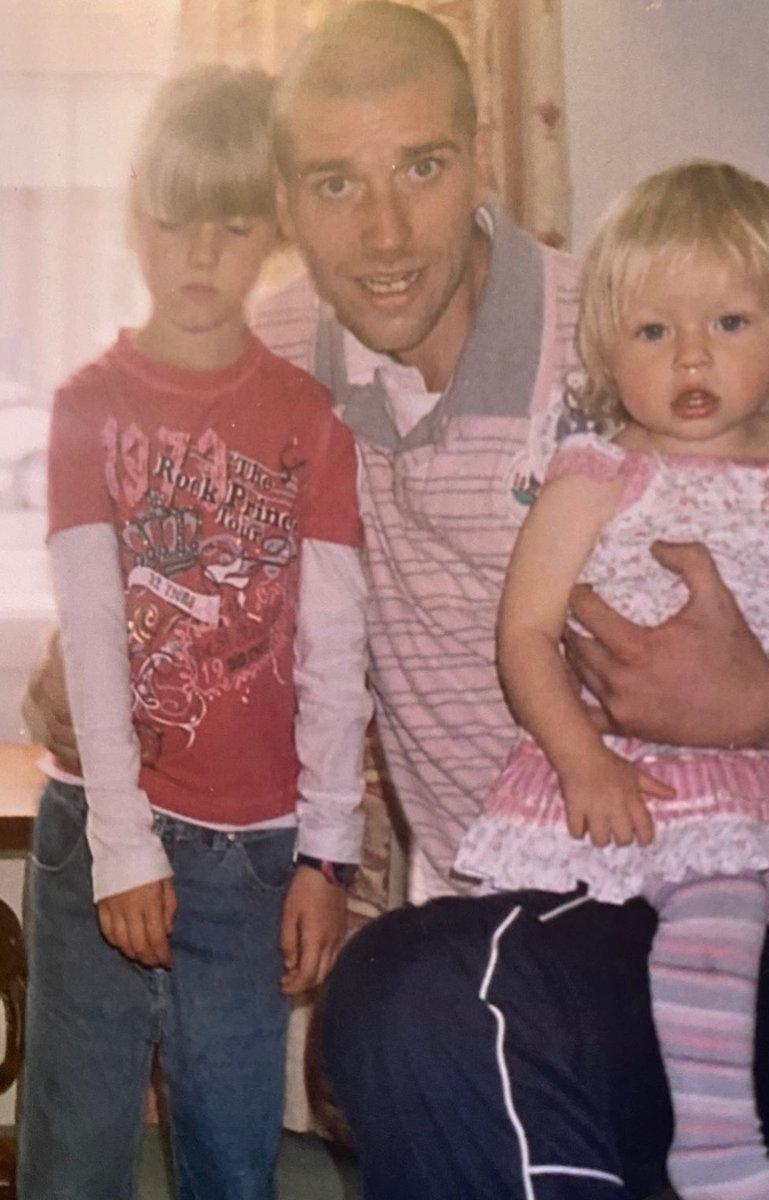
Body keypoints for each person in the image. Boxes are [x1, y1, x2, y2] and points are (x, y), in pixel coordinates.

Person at [23, 6, 769, 1198]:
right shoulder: (274, 355)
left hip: (711, 913)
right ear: (286, 208)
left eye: (421, 166)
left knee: (415, 999)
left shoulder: (626, 340)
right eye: (335, 184)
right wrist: (86, 653)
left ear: (480, 164)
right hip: (484, 921)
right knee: (410, 1003)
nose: (388, 230)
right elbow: (142, 485)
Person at [455, 161, 769, 1200]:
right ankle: (717, 1149)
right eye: (653, 332)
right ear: (606, 350)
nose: (691, 356)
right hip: (667, 774)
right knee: (716, 914)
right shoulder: (600, 475)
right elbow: (523, 634)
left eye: (729, 323)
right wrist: (581, 760)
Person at [18, 65, 371, 1200]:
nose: (201, 255)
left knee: (231, 1157)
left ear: (272, 224)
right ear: (135, 222)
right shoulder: (86, 407)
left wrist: (327, 856)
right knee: (75, 1157)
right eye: (174, 222)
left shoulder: (313, 425)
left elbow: (333, 660)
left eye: (231, 224)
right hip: (101, 830)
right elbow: (95, 641)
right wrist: (123, 846)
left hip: (254, 858)